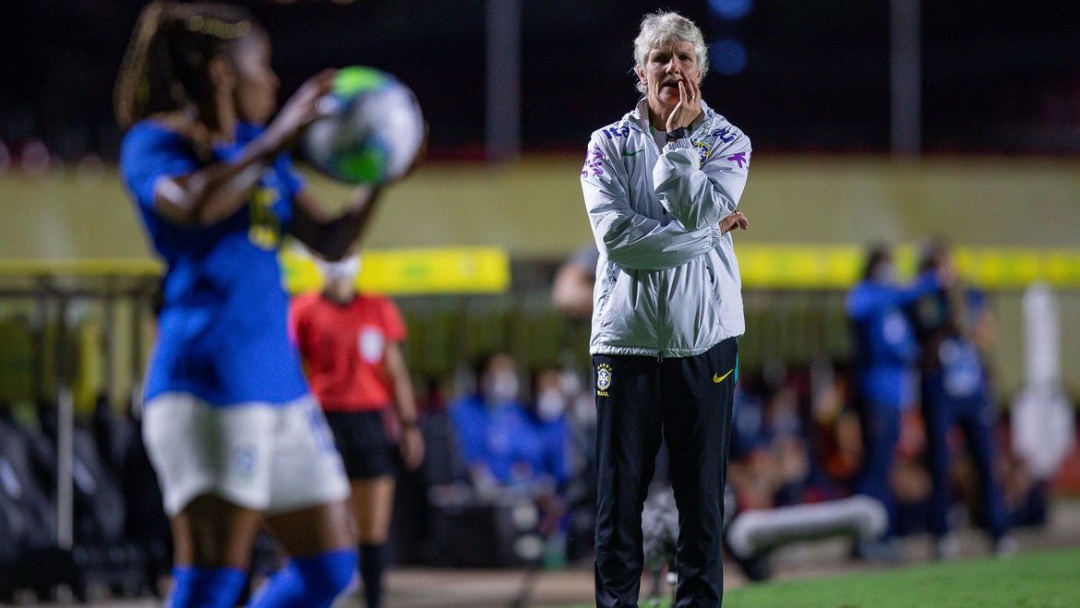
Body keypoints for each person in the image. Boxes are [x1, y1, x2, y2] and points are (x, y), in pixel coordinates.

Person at [113, 3, 416, 606]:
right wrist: (279, 137)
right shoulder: (156, 142)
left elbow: (330, 239)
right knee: (212, 579)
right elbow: (194, 204)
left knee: (330, 568)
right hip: (207, 385)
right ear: (225, 73)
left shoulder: (260, 149)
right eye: (264, 66)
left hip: (281, 387)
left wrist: (382, 169)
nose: (275, 83)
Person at [580, 11, 751, 606]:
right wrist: (706, 236)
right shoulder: (606, 145)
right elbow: (618, 243)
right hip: (623, 344)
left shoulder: (730, 142)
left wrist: (679, 145)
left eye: (683, 57)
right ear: (640, 73)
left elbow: (688, 209)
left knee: (701, 505)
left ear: (700, 69)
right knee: (617, 505)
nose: (672, 67)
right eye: (660, 58)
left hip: (705, 343)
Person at [288, 253, 425, 608]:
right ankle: (325, 596)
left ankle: (373, 600)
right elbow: (294, 371)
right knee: (323, 522)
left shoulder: (377, 308)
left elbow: (394, 371)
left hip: (368, 421)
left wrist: (409, 425)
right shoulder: (304, 309)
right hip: (322, 421)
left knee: (373, 527)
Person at [911, 240, 1013, 559]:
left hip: (971, 387)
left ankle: (998, 529)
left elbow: (985, 332)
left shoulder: (970, 292)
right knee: (940, 461)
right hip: (940, 389)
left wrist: (966, 322)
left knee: (985, 457)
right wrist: (954, 322)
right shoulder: (922, 297)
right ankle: (942, 534)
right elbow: (929, 332)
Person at [845, 244, 942, 561]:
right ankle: (865, 536)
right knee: (874, 470)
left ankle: (879, 534)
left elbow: (908, 347)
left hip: (896, 399)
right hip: (876, 397)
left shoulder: (894, 305)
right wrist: (926, 282)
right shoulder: (868, 295)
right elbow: (857, 308)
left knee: (885, 470)